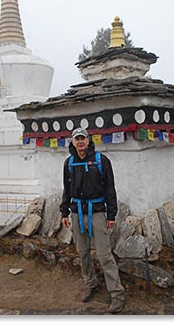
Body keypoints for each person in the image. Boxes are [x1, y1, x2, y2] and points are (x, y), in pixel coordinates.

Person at [60, 127, 125, 314]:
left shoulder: (100, 161)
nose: (80, 142)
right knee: (83, 252)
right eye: (76, 139)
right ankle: (91, 283)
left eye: (83, 138)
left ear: (88, 140)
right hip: (77, 212)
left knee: (104, 255)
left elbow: (110, 189)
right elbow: (67, 189)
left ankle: (117, 294)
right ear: (72, 142)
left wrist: (111, 215)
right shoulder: (69, 163)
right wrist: (64, 212)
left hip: (96, 211)